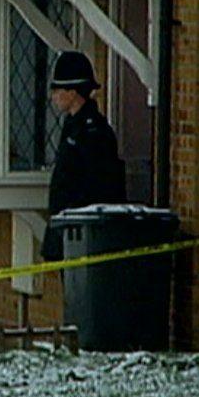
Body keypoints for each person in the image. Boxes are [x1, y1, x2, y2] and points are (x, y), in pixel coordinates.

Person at [41, 51, 126, 261]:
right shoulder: (72, 127)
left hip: (84, 236)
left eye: (57, 89)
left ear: (72, 91)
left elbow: (98, 186)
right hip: (68, 231)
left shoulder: (92, 132)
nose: (53, 96)